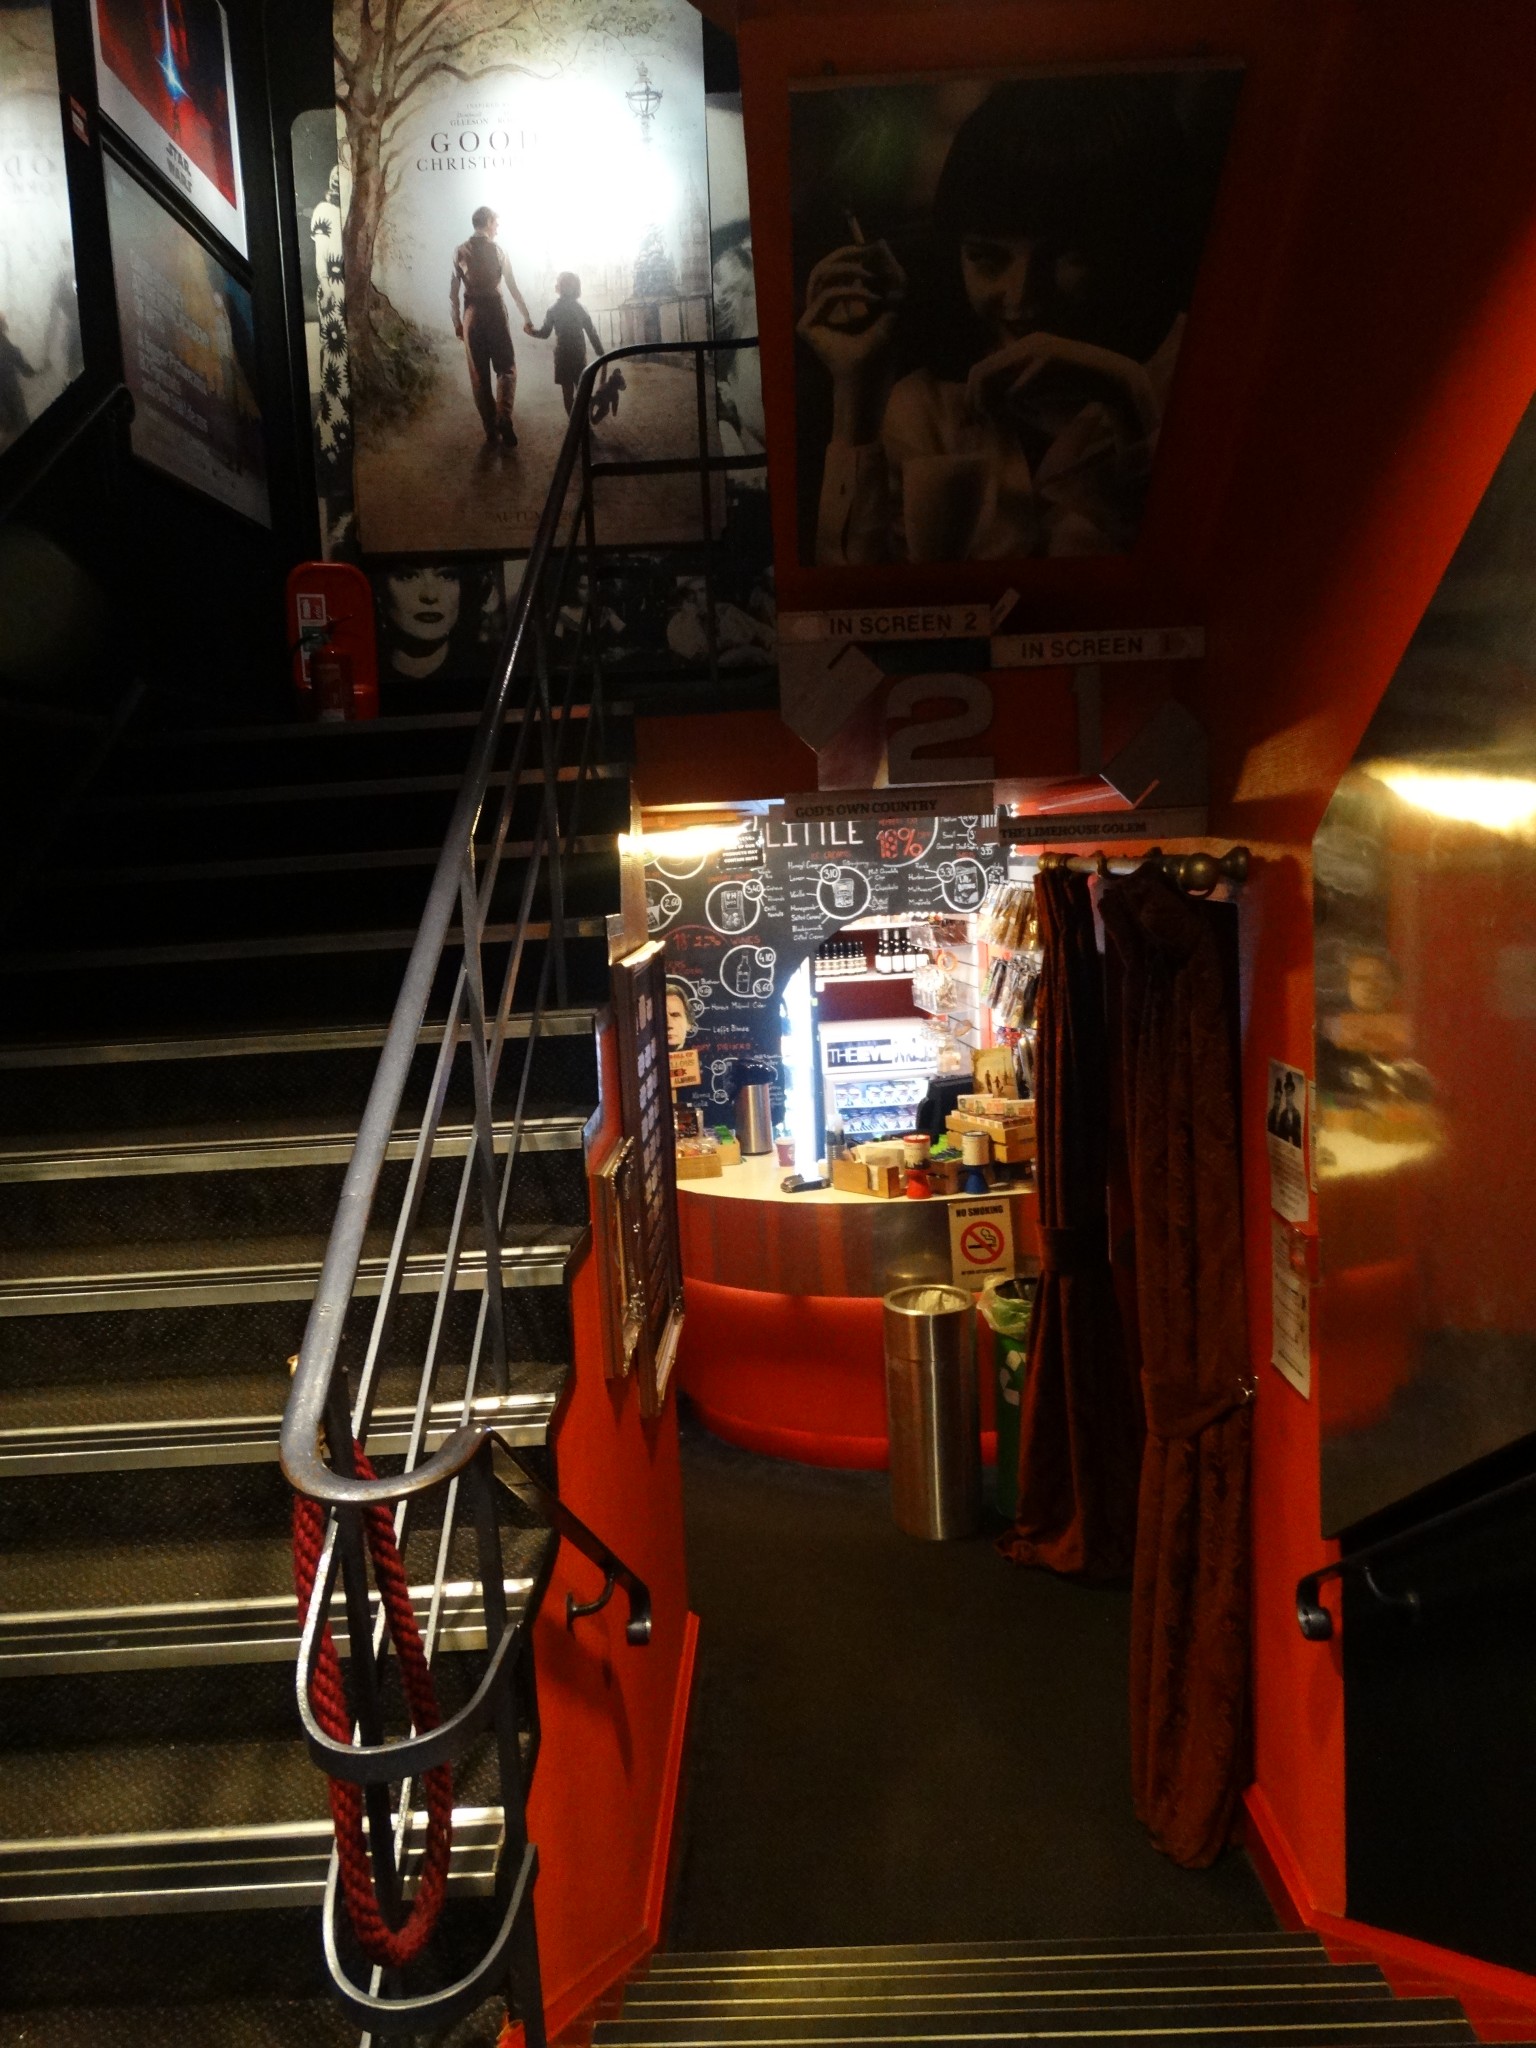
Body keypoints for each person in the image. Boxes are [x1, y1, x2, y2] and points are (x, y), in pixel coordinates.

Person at [797, 74, 1210, 563]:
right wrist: (856, 397)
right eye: (987, 258)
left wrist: (1128, 403)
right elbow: (854, 597)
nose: (1020, 296)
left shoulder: (1202, 377)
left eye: (1065, 255)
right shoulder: (930, 409)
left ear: (1133, 247)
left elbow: (1209, 577)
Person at [450, 206, 531, 449]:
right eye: (496, 223)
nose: (497, 228)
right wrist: (526, 317)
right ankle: (504, 416)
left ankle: (490, 429)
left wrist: (457, 322)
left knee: (479, 375)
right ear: (487, 222)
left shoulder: (459, 251)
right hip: (495, 311)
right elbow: (513, 288)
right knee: (506, 368)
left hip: (472, 315)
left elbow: (453, 294)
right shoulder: (499, 251)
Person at [524, 272, 604, 418]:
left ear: (558, 287)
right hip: (578, 355)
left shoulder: (553, 309)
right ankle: (585, 423)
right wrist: (601, 352)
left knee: (567, 394)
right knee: (582, 391)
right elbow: (591, 332)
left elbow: (545, 333)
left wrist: (530, 331)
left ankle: (574, 423)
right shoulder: (580, 309)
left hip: (562, 356)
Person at [0, 312, 38, 448]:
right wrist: (29, 371)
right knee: (19, 423)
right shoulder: (2, 342)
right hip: (9, 390)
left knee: (9, 426)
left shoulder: (3, 341)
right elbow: (15, 356)